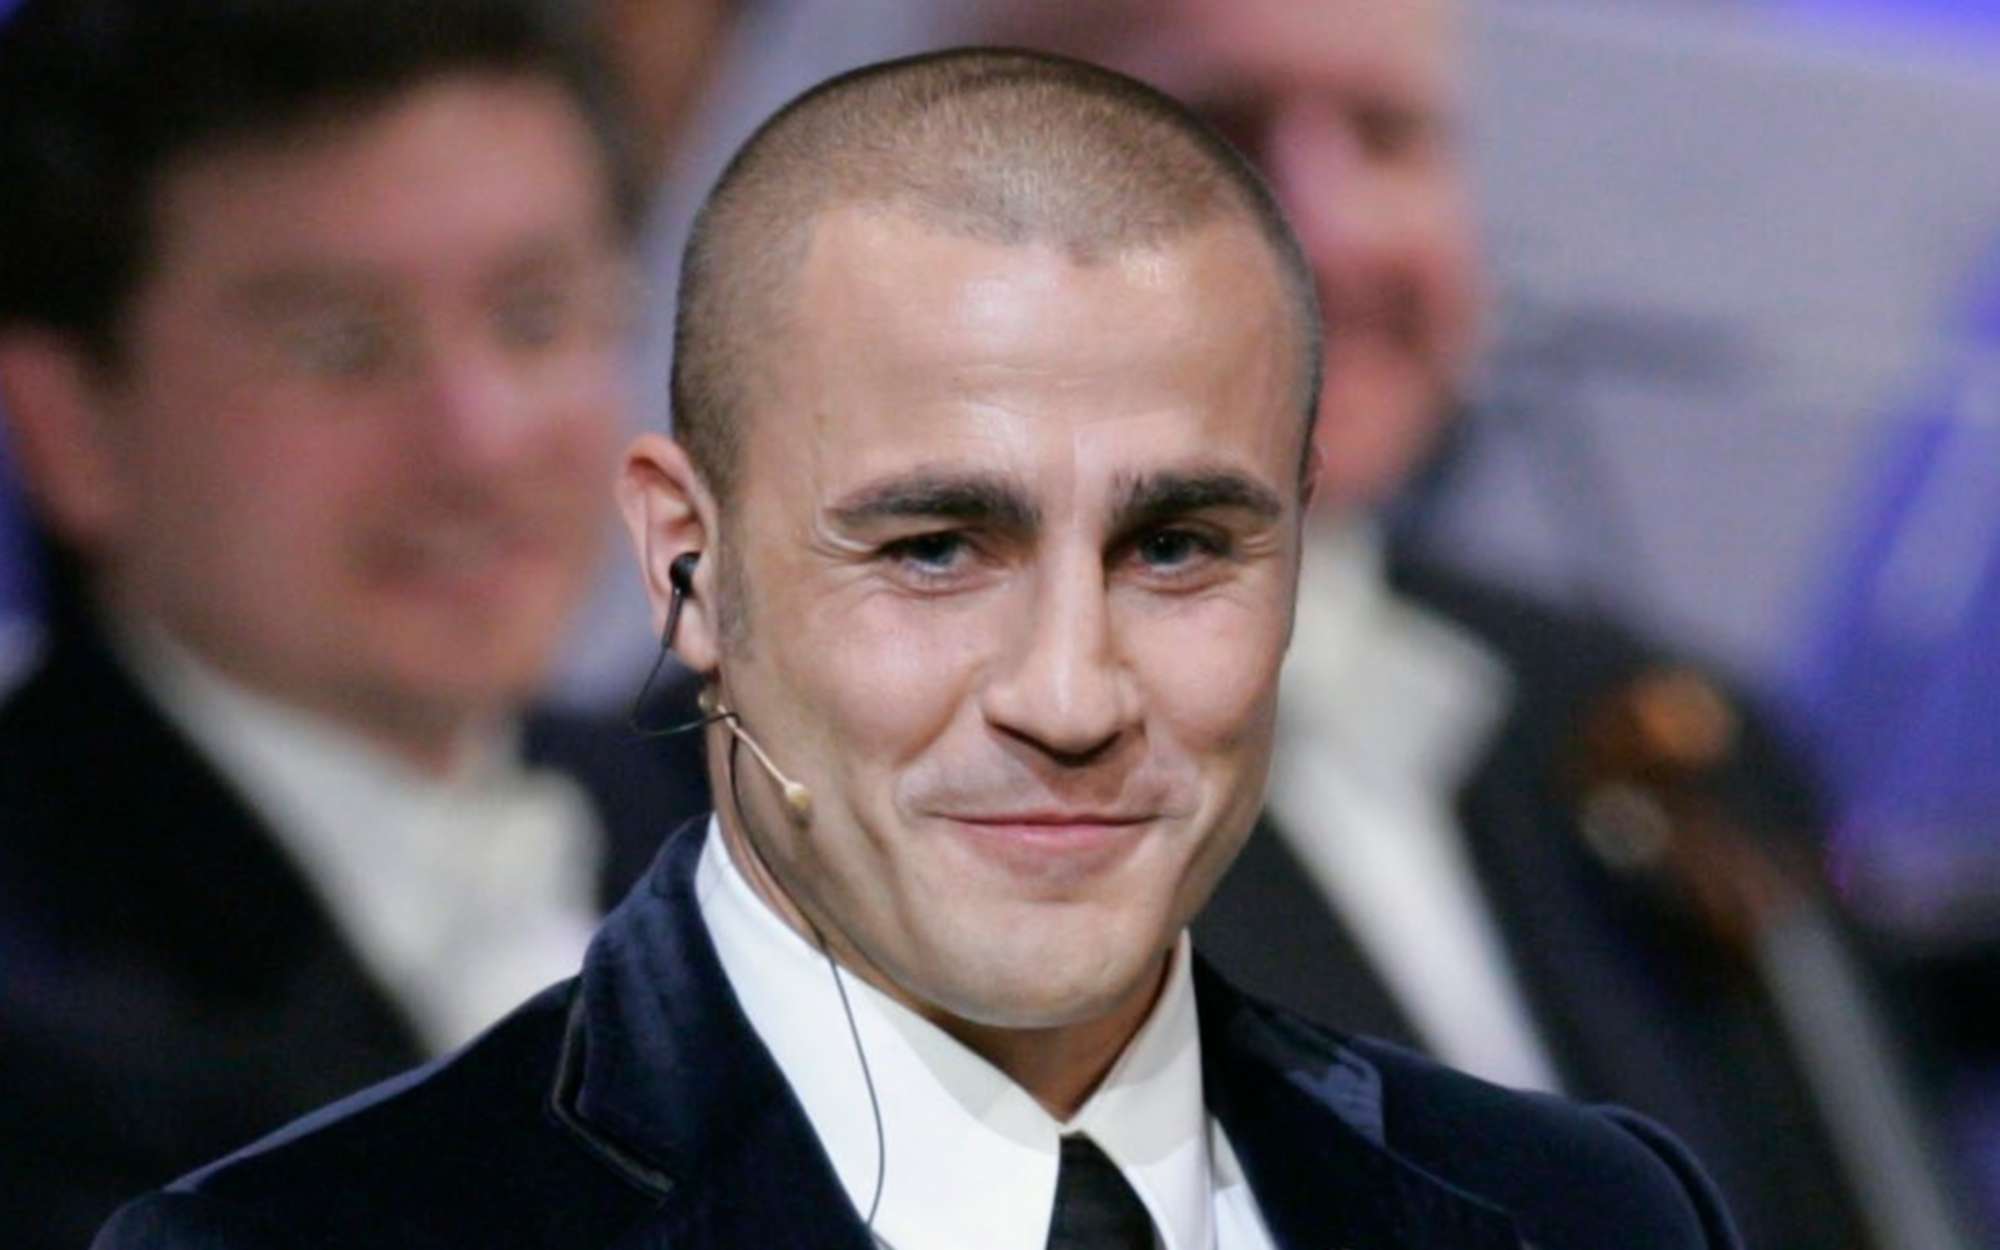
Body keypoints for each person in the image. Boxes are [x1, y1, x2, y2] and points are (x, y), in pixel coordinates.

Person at [95, 49, 1738, 1250]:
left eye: (1178, 547)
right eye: (936, 549)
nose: (1071, 696)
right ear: (687, 567)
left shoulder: (1586, 1212)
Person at [968, 3, 1968, 1248]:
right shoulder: (859, 800)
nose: (1331, 231)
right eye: (1214, 132)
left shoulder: (1656, 731)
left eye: (1388, 137)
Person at [0, 2, 704, 1243]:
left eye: (534, 316)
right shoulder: (41, 1040)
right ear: (72, 428)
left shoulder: (746, 814)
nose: (478, 442)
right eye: (340, 345)